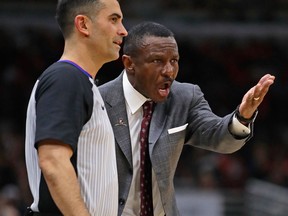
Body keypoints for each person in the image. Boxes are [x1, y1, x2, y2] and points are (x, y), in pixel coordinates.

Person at [98, 21, 275, 216]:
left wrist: (242, 116)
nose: (169, 71)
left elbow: (220, 138)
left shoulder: (184, 97)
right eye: (157, 61)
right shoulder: (97, 101)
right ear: (129, 63)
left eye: (174, 61)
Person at [24, 0, 127, 215]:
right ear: (83, 25)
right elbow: (53, 161)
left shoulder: (80, 81)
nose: (123, 31)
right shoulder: (66, 79)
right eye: (114, 19)